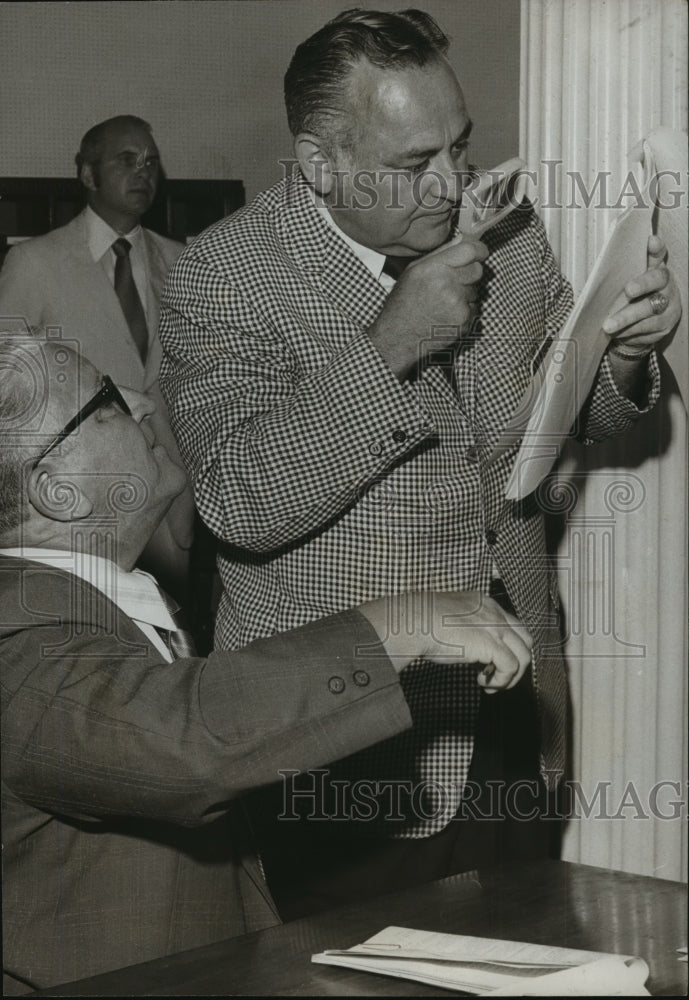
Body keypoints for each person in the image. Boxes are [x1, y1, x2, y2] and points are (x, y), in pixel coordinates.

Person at [158, 9, 681, 916]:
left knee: (524, 950)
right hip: (350, 735)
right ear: (319, 163)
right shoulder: (226, 273)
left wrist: (626, 352)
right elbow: (238, 501)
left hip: (514, 702)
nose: (451, 185)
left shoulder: (510, 239)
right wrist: (387, 346)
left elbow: (565, 413)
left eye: (460, 146)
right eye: (411, 164)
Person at [0, 332, 534, 993]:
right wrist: (392, 627)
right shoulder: (19, 645)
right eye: (107, 400)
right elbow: (181, 738)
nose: (141, 401)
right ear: (57, 491)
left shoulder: (85, 603)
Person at [0, 115, 194, 601]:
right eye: (127, 160)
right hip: (88, 494)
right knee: (100, 623)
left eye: (151, 162)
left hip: (172, 477)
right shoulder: (35, 262)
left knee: (179, 619)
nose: (143, 172)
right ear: (88, 175)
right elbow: (9, 383)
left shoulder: (184, 260)